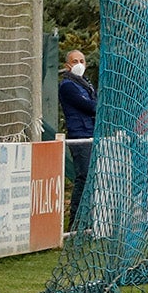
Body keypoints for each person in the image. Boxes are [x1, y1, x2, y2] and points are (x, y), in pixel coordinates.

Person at [57, 50, 97, 229]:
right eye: (75, 61)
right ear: (68, 65)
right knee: (83, 176)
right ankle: (76, 222)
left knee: (90, 178)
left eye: (82, 60)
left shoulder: (86, 84)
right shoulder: (68, 86)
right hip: (80, 135)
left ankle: (87, 220)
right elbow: (90, 106)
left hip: (91, 134)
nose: (79, 64)